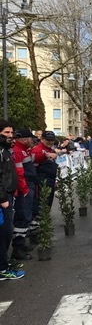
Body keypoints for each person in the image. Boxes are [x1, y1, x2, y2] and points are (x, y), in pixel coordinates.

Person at [0, 120, 25, 280]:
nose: (10, 135)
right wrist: (2, 198)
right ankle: (2, 268)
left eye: (11, 132)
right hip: (3, 199)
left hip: (8, 196)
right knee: (4, 233)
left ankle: (4, 263)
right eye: (6, 132)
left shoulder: (5, 150)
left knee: (6, 232)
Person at [11, 129, 38, 261]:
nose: (33, 141)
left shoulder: (24, 150)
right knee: (23, 217)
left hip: (28, 185)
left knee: (26, 216)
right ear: (25, 139)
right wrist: (25, 189)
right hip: (25, 187)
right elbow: (19, 173)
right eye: (31, 139)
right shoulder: (17, 151)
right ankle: (18, 247)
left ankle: (21, 244)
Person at [32, 131, 59, 216]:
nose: (50, 142)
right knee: (40, 205)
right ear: (42, 139)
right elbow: (33, 159)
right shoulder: (37, 149)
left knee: (47, 204)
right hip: (41, 182)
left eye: (52, 140)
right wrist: (45, 155)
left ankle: (44, 219)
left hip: (50, 181)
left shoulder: (50, 149)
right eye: (48, 140)